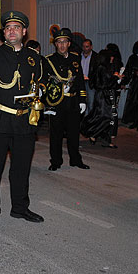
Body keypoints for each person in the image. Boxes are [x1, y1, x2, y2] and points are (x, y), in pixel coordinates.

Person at [0, 11, 45, 227]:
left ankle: (20, 207)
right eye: (8, 28)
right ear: (4, 32)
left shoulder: (34, 57)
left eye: (16, 27)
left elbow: (41, 82)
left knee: (21, 168)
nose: (12, 31)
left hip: (25, 121)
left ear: (24, 32)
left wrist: (41, 92)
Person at [43, 28, 89, 171]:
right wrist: (49, 101)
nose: (62, 45)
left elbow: (80, 80)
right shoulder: (49, 60)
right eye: (59, 42)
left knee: (74, 133)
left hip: (73, 102)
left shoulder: (75, 58)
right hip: (57, 103)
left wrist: (82, 99)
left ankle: (75, 160)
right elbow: (44, 82)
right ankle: (56, 161)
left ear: (69, 43)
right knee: (56, 134)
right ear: (55, 44)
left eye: (64, 42)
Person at [80, 49, 122, 147]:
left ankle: (102, 138)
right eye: (110, 56)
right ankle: (94, 134)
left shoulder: (100, 67)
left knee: (100, 115)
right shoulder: (102, 68)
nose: (112, 58)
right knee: (105, 116)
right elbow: (104, 83)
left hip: (102, 95)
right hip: (103, 96)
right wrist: (116, 77)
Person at [80, 39, 98, 115]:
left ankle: (90, 121)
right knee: (81, 102)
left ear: (91, 47)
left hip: (90, 82)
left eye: (87, 46)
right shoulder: (78, 56)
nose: (85, 48)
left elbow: (97, 71)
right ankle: (83, 121)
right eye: (83, 46)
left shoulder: (96, 57)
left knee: (91, 103)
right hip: (80, 82)